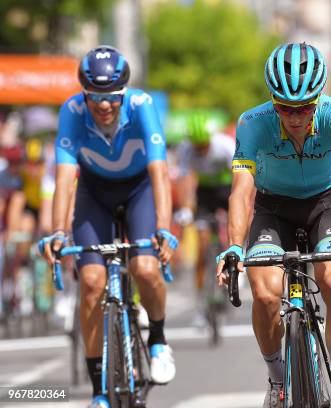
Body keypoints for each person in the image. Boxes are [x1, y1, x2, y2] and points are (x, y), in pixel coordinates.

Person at [215, 42, 331, 408]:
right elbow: (241, 192)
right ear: (272, 101)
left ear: (318, 98)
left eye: (304, 107)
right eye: (284, 107)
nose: (295, 116)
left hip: (324, 204)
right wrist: (235, 245)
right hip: (273, 207)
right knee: (265, 293)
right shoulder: (252, 123)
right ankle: (277, 380)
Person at [38, 45, 178, 408]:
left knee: (145, 267)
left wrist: (163, 227)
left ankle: (159, 340)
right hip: (94, 193)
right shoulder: (70, 112)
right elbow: (65, 176)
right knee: (90, 282)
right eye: (95, 97)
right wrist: (57, 232)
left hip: (139, 192)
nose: (103, 105)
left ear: (123, 93)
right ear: (84, 93)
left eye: (112, 97)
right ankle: (99, 388)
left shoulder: (141, 106)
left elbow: (159, 173)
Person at [174, 111, 235, 327]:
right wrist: (184, 208)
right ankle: (201, 305)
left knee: (230, 232)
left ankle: (233, 265)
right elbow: (183, 178)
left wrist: (239, 207)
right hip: (205, 194)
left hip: (227, 189)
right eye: (198, 146)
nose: (202, 149)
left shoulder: (224, 145)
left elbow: (241, 177)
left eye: (204, 145)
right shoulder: (185, 149)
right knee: (201, 249)